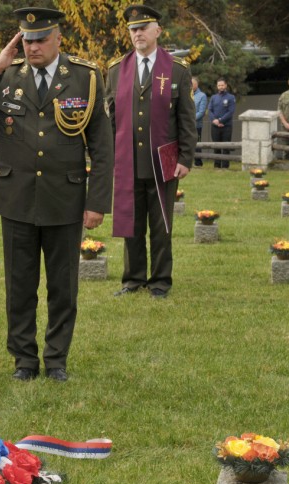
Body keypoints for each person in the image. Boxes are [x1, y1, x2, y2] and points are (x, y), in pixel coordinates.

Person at [0, 7, 113, 382]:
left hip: (65, 196)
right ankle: (24, 359)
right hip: (16, 197)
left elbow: (102, 146)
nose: (32, 46)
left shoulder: (85, 77)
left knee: (63, 287)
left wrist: (97, 203)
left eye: (41, 39)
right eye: (26, 40)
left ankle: (56, 358)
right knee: (20, 286)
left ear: (59, 38)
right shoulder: (7, 74)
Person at [106, 5, 195, 300]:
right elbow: (110, 120)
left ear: (158, 31)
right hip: (128, 161)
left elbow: (186, 119)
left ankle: (160, 281)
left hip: (164, 161)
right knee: (130, 224)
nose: (138, 33)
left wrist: (185, 159)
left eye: (143, 28)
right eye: (133, 29)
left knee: (161, 226)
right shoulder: (117, 70)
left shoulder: (177, 70)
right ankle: (133, 279)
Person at [207, 77, 235, 168]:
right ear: (217, 86)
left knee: (226, 147)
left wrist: (220, 120)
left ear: (226, 85)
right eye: (219, 85)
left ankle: (225, 166)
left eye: (222, 85)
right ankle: (217, 165)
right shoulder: (213, 97)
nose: (221, 87)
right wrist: (215, 121)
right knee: (216, 147)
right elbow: (210, 110)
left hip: (226, 126)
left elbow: (230, 112)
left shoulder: (231, 97)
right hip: (215, 126)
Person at [192, 76, 207, 167]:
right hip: (186, 125)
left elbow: (201, 112)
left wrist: (190, 119)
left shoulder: (202, 96)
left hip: (196, 125)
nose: (191, 85)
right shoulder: (186, 94)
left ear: (197, 84)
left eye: (193, 84)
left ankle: (198, 162)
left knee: (197, 144)